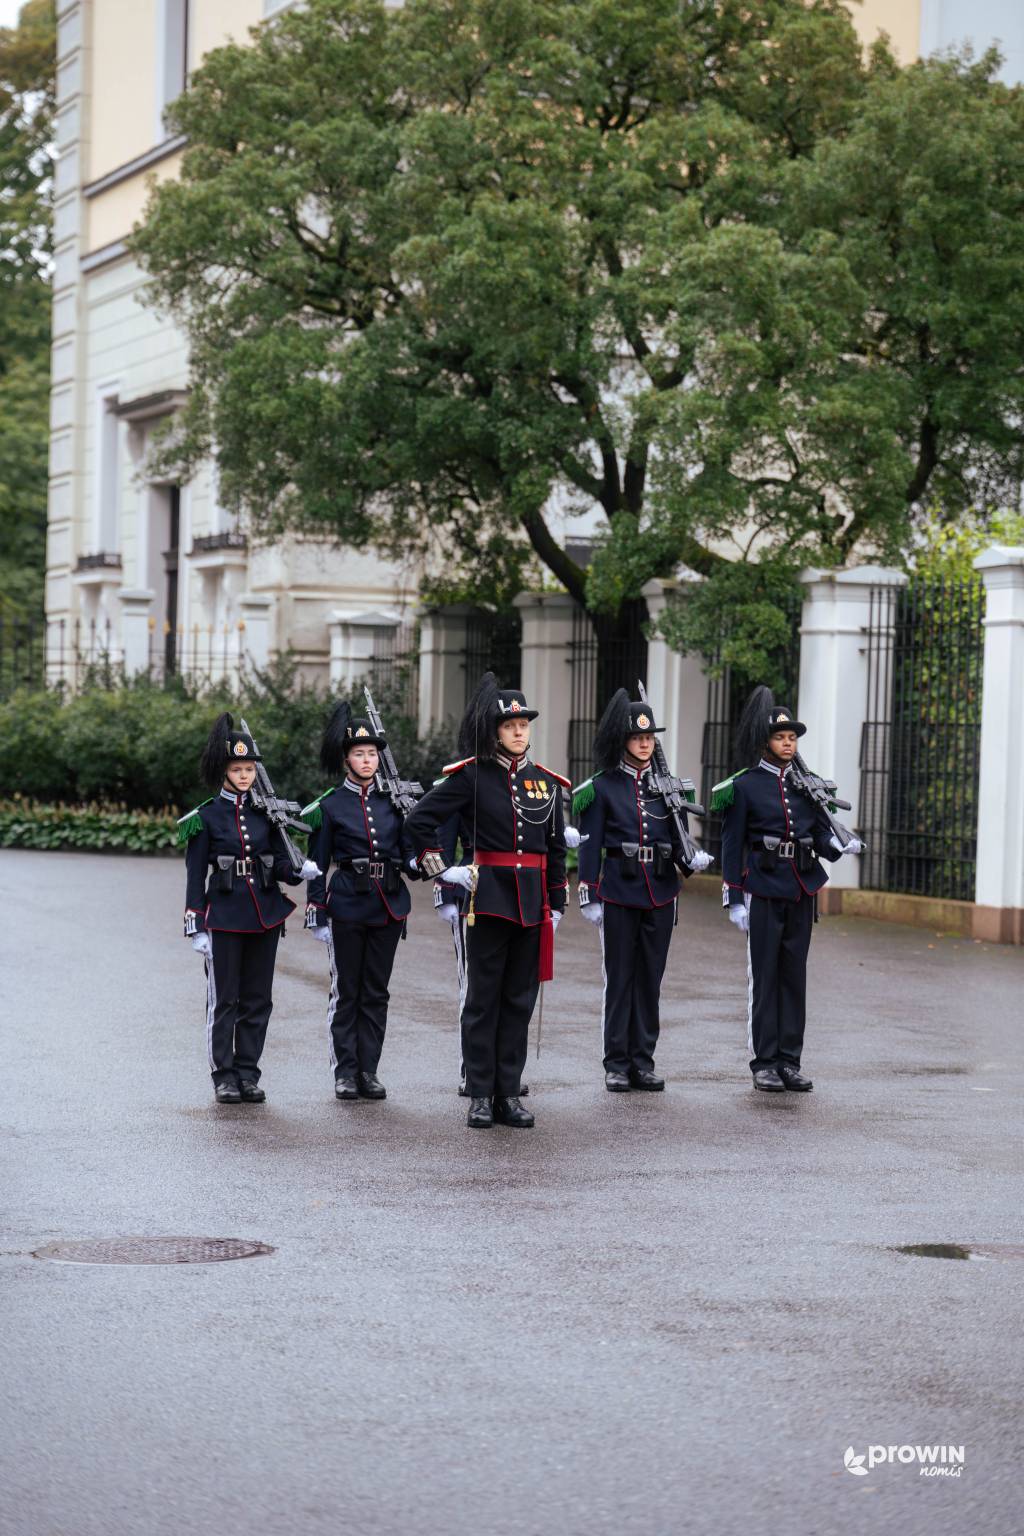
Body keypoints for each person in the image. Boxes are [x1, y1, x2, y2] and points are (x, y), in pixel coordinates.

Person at [406, 673, 568, 1130]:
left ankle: (507, 1093)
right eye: (510, 725)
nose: (519, 732)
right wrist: (441, 869)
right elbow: (419, 822)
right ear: (494, 731)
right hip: (488, 899)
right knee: (483, 1000)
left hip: (532, 903)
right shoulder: (472, 776)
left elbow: (554, 848)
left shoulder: (545, 782)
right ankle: (479, 1093)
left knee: (520, 999)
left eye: (524, 725)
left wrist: (556, 902)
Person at [715, 687, 863, 1093]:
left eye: (792, 738)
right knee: (764, 977)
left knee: (793, 977)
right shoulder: (744, 786)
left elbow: (817, 833)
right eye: (781, 737)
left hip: (800, 886)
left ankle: (789, 1060)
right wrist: (734, 896)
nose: (787, 743)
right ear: (766, 741)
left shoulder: (805, 785)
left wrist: (839, 845)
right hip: (762, 886)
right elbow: (732, 843)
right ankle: (764, 1061)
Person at [573, 689, 712, 1093]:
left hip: (661, 891)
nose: (646, 743)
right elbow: (589, 842)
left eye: (650, 737)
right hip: (619, 888)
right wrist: (590, 892)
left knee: (650, 979)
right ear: (624, 741)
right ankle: (616, 1062)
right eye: (638, 737)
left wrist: (692, 860)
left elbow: (679, 837)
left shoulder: (666, 787)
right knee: (620, 980)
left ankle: (642, 1060)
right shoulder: (601, 787)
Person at [179, 712, 319, 1104]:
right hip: (223, 914)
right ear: (222, 770)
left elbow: (279, 861)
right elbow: (194, 876)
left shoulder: (264, 814)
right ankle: (223, 1074)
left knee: (259, 998)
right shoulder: (205, 818)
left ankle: (248, 1071)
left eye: (249, 768)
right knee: (224, 999)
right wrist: (196, 924)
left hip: (264, 914)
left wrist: (301, 871)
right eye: (237, 768)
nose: (244, 775)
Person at [302, 702, 415, 1102]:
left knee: (376, 991)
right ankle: (345, 1071)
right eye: (359, 754)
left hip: (388, 905)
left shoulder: (393, 802)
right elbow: (317, 861)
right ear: (346, 759)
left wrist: (421, 861)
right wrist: (316, 910)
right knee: (347, 991)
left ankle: (369, 1069)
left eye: (372, 753)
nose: (368, 760)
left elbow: (407, 852)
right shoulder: (331, 806)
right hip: (348, 903)